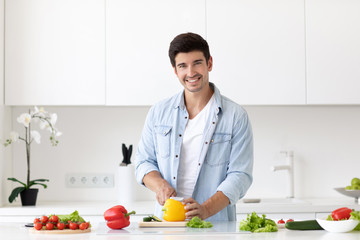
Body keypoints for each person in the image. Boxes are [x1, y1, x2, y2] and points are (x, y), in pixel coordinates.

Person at [135, 32, 253, 221]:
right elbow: (143, 162)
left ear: (209, 63)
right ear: (175, 70)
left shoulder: (236, 116)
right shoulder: (158, 112)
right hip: (166, 225)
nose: (191, 72)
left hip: (214, 226)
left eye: (197, 63)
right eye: (183, 66)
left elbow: (240, 176)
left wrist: (205, 210)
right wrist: (160, 185)